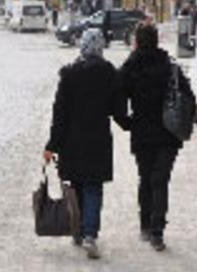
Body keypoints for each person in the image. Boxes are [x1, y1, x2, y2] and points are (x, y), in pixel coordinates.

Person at [44, 29, 130, 260]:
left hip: (72, 141)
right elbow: (119, 111)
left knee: (78, 185)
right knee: (93, 187)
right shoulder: (110, 74)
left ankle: (79, 229)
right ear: (101, 47)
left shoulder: (70, 75)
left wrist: (52, 144)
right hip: (98, 140)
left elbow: (59, 114)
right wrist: (134, 124)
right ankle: (90, 234)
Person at [119, 23, 194, 251]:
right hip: (168, 133)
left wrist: (126, 123)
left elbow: (117, 97)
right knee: (161, 181)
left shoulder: (130, 67)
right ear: (157, 40)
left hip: (142, 132)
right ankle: (157, 231)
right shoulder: (170, 67)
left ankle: (145, 225)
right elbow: (188, 97)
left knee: (146, 178)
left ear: (137, 41)